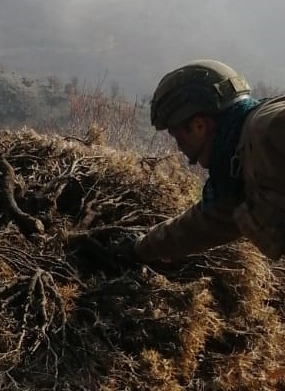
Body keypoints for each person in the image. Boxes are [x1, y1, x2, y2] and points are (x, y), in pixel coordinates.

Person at [112, 59, 285, 263]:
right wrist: (139, 248)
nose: (179, 147)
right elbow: (206, 223)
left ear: (198, 126)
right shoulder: (235, 173)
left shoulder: (267, 127)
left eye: (177, 136)